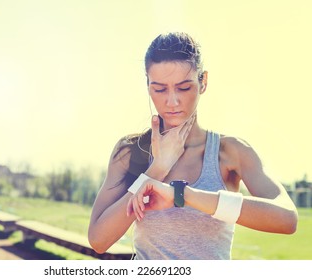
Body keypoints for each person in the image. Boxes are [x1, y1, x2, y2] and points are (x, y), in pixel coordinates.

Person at [88, 32, 298, 260]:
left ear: (203, 82)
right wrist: (156, 170)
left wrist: (183, 195)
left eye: (184, 87)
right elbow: (99, 240)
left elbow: (287, 219)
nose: (172, 101)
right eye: (159, 89)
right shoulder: (130, 151)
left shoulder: (230, 153)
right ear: (148, 85)